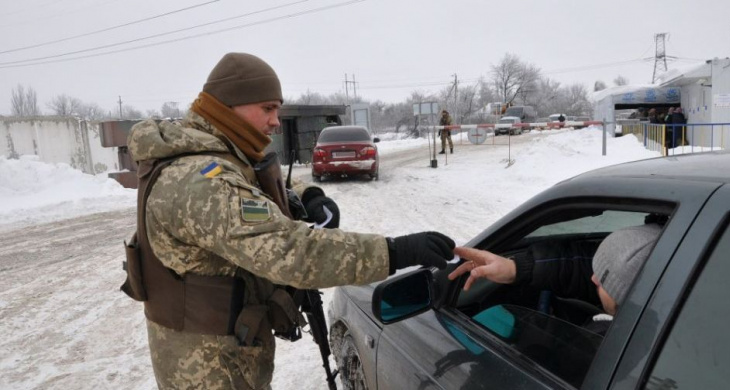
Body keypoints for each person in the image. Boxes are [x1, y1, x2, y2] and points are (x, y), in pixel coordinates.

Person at [122, 52, 455, 389]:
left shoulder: (213, 154)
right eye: (268, 108)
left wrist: (308, 195)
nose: (276, 121)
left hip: (222, 358)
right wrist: (396, 252)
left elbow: (254, 176)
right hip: (206, 371)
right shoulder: (201, 181)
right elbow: (291, 252)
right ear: (228, 106)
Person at [448, 224, 661, 334]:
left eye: (605, 278)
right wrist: (517, 268)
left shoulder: (605, 346)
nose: (593, 278)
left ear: (629, 293)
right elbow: (581, 264)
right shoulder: (654, 309)